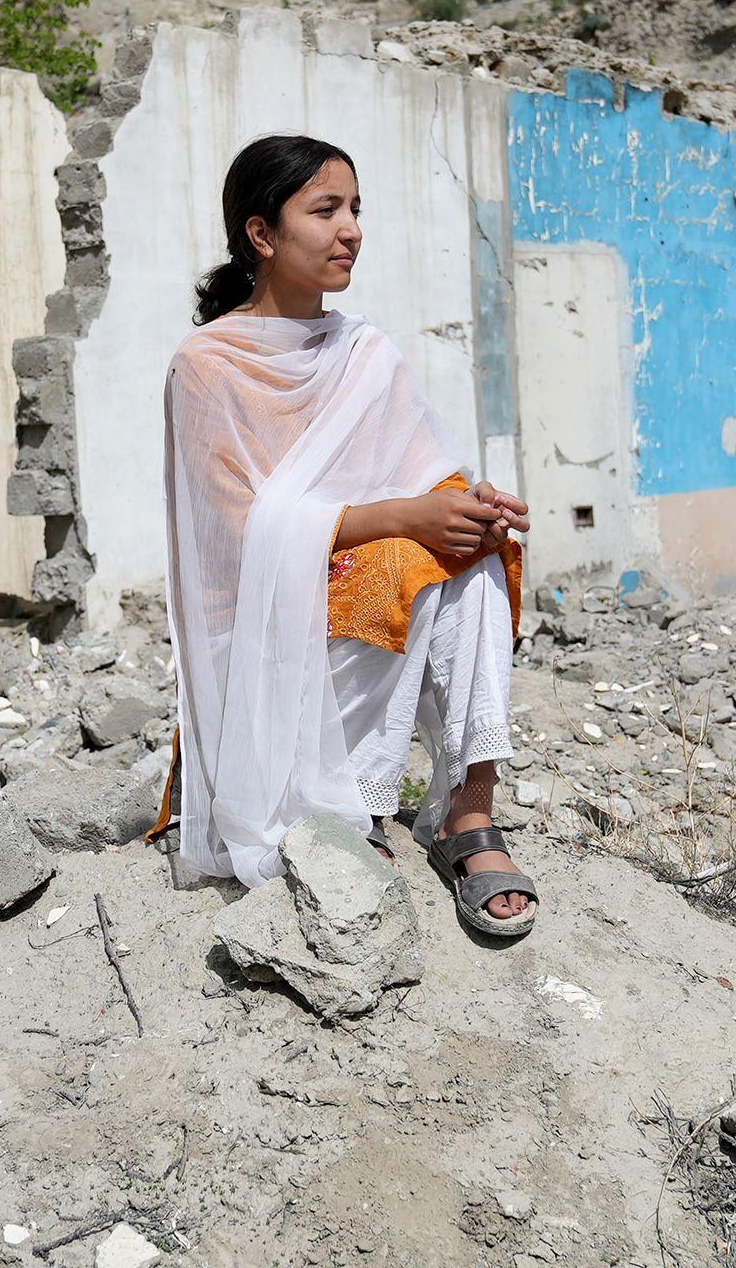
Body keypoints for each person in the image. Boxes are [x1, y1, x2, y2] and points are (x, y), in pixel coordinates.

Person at [157, 133, 538, 937]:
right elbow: (235, 533)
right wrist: (405, 519)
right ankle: (343, 815)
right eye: (325, 210)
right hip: (262, 631)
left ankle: (469, 813)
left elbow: (422, 472)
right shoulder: (207, 365)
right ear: (262, 235)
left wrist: (471, 505)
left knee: (474, 558)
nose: (351, 230)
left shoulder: (364, 352)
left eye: (356, 209)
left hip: (360, 594)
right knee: (406, 558)